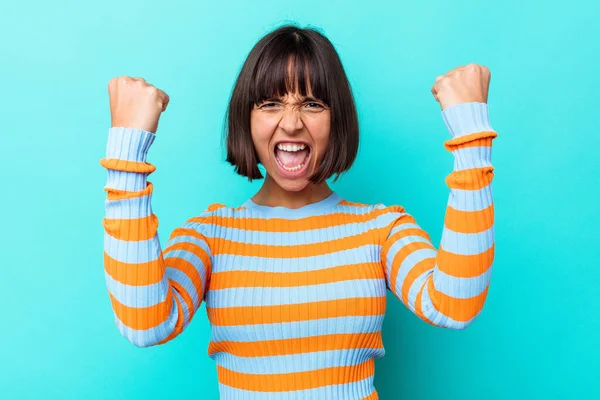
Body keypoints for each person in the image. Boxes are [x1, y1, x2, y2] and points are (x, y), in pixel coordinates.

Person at [100, 23, 497, 400]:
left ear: (336, 118)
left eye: (312, 103)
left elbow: (454, 303)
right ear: (247, 119)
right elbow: (144, 321)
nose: (291, 124)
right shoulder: (211, 236)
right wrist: (126, 151)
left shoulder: (381, 228)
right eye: (271, 104)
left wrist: (470, 136)